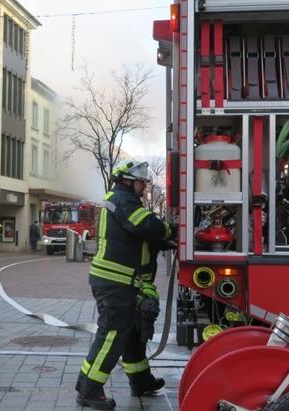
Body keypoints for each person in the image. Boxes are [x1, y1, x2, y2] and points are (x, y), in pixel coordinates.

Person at [75, 160, 176, 410]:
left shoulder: (123, 201)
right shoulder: (122, 199)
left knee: (132, 333)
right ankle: (89, 389)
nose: (144, 187)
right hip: (115, 282)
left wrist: (162, 243)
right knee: (112, 333)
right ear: (129, 181)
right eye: (142, 182)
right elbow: (144, 226)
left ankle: (140, 380)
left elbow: (136, 238)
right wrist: (169, 231)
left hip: (121, 282)